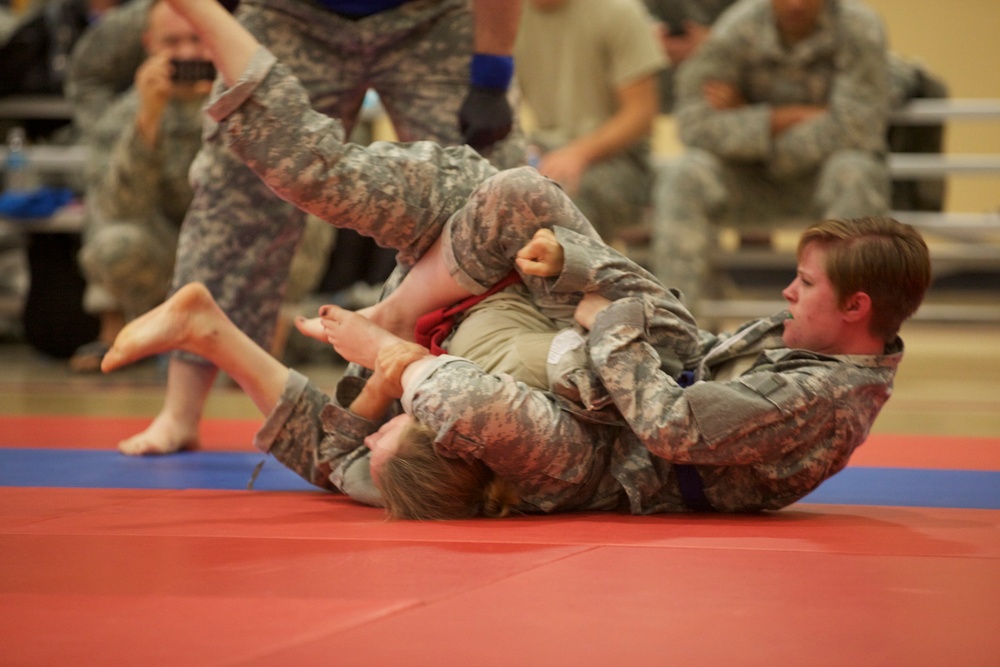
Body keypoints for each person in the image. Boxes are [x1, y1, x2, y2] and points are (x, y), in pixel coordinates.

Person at [110, 0, 527, 455]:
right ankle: (180, 411)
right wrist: (220, 23)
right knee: (235, 186)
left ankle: (498, 398)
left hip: (430, 14)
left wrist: (491, 73)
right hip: (290, 13)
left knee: (492, 196)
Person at [651, 0, 892, 311]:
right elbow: (694, 125)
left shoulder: (859, 28)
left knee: (856, 171)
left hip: (823, 181)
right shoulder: (738, 27)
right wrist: (785, 119)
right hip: (751, 181)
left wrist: (749, 120)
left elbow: (859, 129)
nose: (795, 4)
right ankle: (676, 329)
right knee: (683, 174)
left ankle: (843, 336)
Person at [69, 0, 211, 372]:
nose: (186, 53)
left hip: (229, 252)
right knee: (114, 240)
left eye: (197, 39)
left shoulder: (244, 102)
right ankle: (120, 333)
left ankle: (272, 336)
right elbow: (120, 208)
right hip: (159, 252)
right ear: (149, 44)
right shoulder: (122, 113)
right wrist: (148, 119)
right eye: (172, 42)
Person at [514, 0, 666, 241]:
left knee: (561, 197)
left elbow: (641, 113)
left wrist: (579, 153)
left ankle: (578, 275)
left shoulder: (619, 11)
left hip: (621, 160)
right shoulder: (505, 15)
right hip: (546, 149)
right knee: (492, 189)